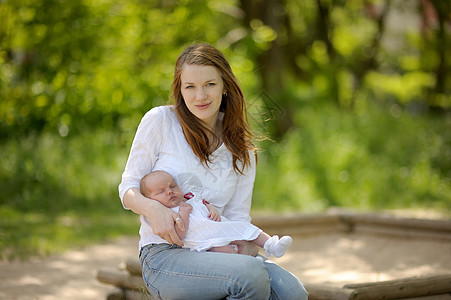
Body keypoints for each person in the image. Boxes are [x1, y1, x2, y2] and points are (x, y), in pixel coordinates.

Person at [119, 43, 309, 299]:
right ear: (180, 90)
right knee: (250, 276)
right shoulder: (160, 121)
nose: (201, 96)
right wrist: (154, 209)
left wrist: (246, 245)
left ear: (225, 86)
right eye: (190, 87)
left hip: (221, 249)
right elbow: (128, 188)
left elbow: (237, 216)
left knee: (292, 292)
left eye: (210, 84)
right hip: (165, 254)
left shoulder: (242, 149)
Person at [140, 170, 293, 257]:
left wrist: (211, 208)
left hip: (219, 226)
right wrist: (184, 215)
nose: (169, 192)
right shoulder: (165, 213)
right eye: (161, 192)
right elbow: (179, 237)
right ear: (150, 199)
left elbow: (203, 203)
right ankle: (246, 263)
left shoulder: (188, 197)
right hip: (205, 240)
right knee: (221, 251)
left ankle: (272, 244)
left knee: (244, 228)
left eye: (172, 186)